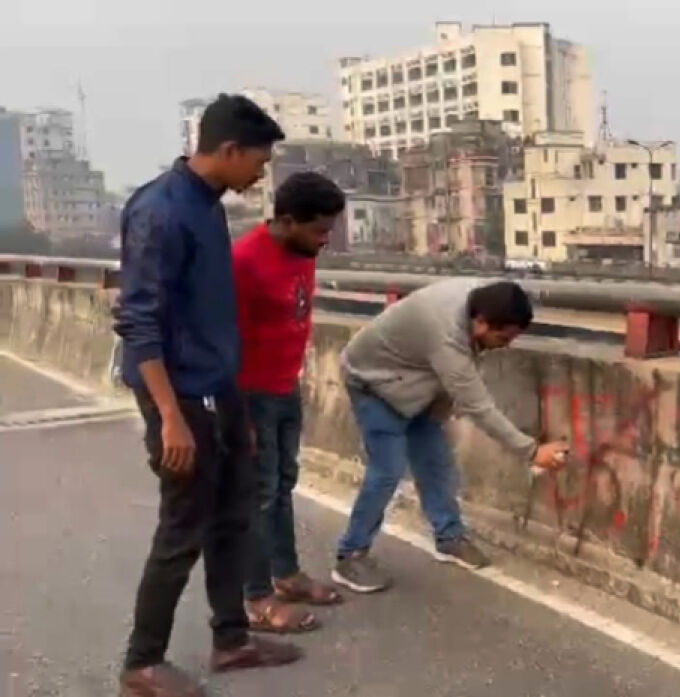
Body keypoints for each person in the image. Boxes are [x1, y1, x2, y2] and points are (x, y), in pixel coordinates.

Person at [113, 94, 300, 697]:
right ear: (229, 150)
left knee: (233, 517)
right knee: (183, 527)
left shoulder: (210, 207)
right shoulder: (159, 211)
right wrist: (170, 417)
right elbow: (139, 321)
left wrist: (236, 408)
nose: (260, 175)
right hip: (179, 397)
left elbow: (214, 316)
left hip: (222, 389)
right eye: (258, 163)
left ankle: (232, 641)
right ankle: (142, 662)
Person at [331, 279, 569, 593]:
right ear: (480, 322)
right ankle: (351, 555)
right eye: (504, 336)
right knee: (387, 470)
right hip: (372, 382)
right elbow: (478, 406)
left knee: (437, 463)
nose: (507, 344)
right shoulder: (446, 335)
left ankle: (449, 538)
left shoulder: (481, 301)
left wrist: (436, 413)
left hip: (417, 384)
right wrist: (531, 451)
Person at [232, 172, 345, 634]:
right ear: (286, 220)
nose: (325, 241)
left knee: (282, 484)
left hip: (285, 387)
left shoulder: (303, 252)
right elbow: (226, 342)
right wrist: (238, 414)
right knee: (258, 495)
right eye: (318, 230)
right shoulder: (243, 262)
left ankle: (286, 573)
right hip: (251, 394)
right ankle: (255, 598)